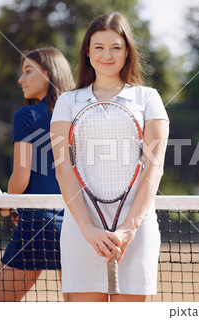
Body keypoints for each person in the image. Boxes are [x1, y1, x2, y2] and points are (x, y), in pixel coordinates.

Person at [50, 12, 169, 302]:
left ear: (127, 52)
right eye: (99, 47)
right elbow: (63, 169)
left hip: (136, 231)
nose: (107, 54)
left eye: (116, 47)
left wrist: (129, 228)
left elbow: (154, 168)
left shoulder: (149, 98)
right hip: (81, 230)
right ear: (88, 52)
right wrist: (89, 230)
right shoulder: (67, 102)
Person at [0, 47, 75, 302]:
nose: (20, 79)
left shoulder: (26, 115)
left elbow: (21, 176)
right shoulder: (78, 115)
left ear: (49, 74)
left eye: (28, 71)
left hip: (37, 225)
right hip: (76, 226)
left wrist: (8, 203)